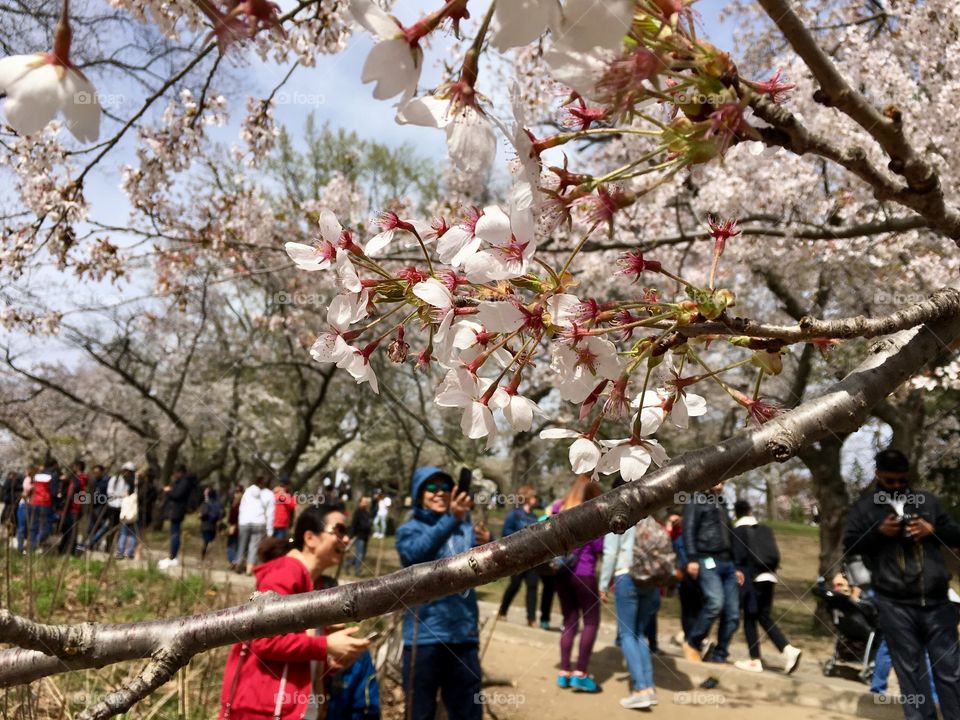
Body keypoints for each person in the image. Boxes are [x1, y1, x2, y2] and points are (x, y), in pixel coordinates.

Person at [218, 504, 370, 720]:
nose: (346, 540)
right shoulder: (286, 573)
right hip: (262, 711)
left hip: (291, 708)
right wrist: (326, 645)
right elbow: (264, 640)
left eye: (348, 533)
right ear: (310, 538)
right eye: (339, 531)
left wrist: (331, 657)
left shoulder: (315, 583)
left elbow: (303, 653)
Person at [843, 448, 960, 720]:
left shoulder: (927, 502)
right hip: (893, 603)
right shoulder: (864, 507)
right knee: (911, 674)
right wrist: (878, 533)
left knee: (951, 672)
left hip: (936, 602)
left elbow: (956, 534)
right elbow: (850, 544)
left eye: (902, 481)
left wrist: (934, 531)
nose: (896, 486)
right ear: (878, 476)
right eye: (890, 481)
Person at [395, 466, 490, 720]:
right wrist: (452, 518)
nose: (440, 493)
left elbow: (484, 570)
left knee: (468, 713)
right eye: (432, 488)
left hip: (463, 637)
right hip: (423, 638)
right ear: (418, 494)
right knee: (419, 712)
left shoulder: (466, 529)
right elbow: (416, 555)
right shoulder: (409, 529)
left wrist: (487, 544)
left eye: (446, 488)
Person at [600, 480, 664, 710]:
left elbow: (610, 552)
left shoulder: (618, 516)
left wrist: (603, 583)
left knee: (627, 635)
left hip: (626, 577)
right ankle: (649, 687)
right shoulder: (649, 516)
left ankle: (640, 689)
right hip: (650, 579)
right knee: (640, 635)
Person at [731, 500, 802, 674]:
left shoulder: (737, 531)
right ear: (749, 511)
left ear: (736, 513)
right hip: (769, 577)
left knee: (749, 618)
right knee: (764, 617)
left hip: (752, 580)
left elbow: (739, 559)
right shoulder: (765, 529)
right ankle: (788, 650)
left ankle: (755, 660)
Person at [552, 475, 604, 692]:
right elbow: (600, 547)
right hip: (584, 573)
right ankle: (580, 673)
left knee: (569, 620)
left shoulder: (558, 507)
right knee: (591, 621)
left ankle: (564, 671)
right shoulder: (594, 515)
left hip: (561, 572)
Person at [682, 482, 743, 663]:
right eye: (718, 479)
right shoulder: (696, 501)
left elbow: (731, 536)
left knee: (733, 614)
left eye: (724, 481)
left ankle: (720, 654)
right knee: (715, 603)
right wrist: (692, 558)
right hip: (706, 559)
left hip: (728, 563)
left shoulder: (722, 503)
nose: (721, 484)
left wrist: (737, 565)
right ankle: (693, 642)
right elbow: (689, 529)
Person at [497, 485, 541, 628]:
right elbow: (506, 532)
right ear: (527, 498)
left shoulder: (534, 517)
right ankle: (502, 611)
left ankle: (531, 618)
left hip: (533, 557)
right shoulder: (514, 514)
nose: (536, 499)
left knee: (532, 587)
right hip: (517, 557)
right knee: (515, 585)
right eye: (534, 497)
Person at [158, 465, 197, 569]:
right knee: (174, 532)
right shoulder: (183, 481)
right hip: (176, 510)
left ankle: (173, 556)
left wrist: (168, 491)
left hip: (177, 511)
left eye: (176, 473)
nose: (174, 475)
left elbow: (177, 495)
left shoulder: (185, 482)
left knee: (175, 533)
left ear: (180, 472)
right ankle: (172, 555)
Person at [235, 476, 275, 575]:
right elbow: (270, 513)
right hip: (259, 523)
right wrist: (270, 530)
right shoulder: (269, 494)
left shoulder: (248, 491)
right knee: (254, 547)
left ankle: (238, 564)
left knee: (242, 545)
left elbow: (242, 507)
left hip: (245, 522)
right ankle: (249, 569)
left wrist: (240, 521)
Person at [90, 463, 133, 551]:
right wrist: (122, 495)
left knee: (117, 529)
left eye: (130, 472)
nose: (128, 473)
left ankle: (109, 547)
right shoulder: (115, 479)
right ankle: (92, 542)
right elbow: (110, 492)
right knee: (106, 527)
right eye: (127, 471)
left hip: (122, 508)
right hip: (112, 506)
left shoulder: (130, 482)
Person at [58, 461, 87, 555]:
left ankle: (68, 551)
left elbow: (75, 491)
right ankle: (64, 550)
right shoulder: (80, 478)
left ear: (78, 467)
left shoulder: (79, 478)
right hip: (73, 507)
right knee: (68, 530)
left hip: (73, 508)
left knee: (71, 531)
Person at [28, 460, 58, 551]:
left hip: (34, 502)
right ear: (54, 465)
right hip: (45, 502)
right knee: (47, 525)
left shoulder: (37, 475)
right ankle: (36, 543)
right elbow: (53, 492)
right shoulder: (52, 476)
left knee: (34, 525)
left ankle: (31, 546)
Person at [81, 464, 109, 551]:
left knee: (98, 526)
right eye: (94, 472)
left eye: (97, 472)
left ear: (102, 472)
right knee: (89, 526)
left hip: (100, 506)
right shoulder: (92, 481)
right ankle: (88, 544)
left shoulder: (106, 481)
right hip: (91, 506)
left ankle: (93, 543)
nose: (95, 474)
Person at [347, 496, 372, 575]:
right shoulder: (358, 512)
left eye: (366, 502)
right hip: (359, 536)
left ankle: (347, 564)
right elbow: (353, 524)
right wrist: (350, 536)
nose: (366, 503)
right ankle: (358, 572)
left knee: (361, 555)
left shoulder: (367, 513)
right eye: (364, 501)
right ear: (360, 502)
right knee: (359, 555)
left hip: (365, 537)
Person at [117, 473, 138, 559]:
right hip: (133, 516)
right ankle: (129, 552)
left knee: (123, 533)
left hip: (125, 516)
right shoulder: (135, 494)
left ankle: (120, 552)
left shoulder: (126, 492)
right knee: (132, 534)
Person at [199, 487, 224, 560]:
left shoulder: (206, 503)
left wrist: (200, 515)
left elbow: (204, 513)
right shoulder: (218, 504)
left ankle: (203, 557)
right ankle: (208, 557)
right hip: (213, 526)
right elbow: (222, 513)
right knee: (210, 542)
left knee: (205, 542)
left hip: (205, 525)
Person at [226, 485, 242, 565]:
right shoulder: (240, 505)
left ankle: (233, 561)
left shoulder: (236, 506)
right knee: (236, 545)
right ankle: (235, 560)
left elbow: (231, 519)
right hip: (239, 527)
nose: (236, 494)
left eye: (238, 492)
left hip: (236, 527)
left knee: (232, 544)